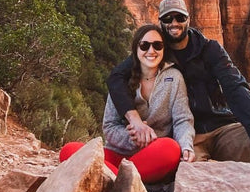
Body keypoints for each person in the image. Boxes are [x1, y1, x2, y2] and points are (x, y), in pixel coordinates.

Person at [107, 0, 250, 171]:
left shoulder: (210, 49)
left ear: (188, 18)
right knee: (184, 169)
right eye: (167, 18)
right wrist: (135, 120)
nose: (174, 23)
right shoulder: (156, 50)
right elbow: (116, 77)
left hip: (222, 128)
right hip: (188, 137)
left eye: (179, 17)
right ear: (161, 22)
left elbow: (235, 86)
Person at [60, 23, 195, 182]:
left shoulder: (174, 78)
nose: (151, 51)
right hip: (117, 154)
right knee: (69, 150)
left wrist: (186, 146)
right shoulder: (122, 80)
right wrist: (133, 137)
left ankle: (109, 179)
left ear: (164, 49)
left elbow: (182, 119)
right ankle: (125, 182)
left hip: (151, 155)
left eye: (157, 45)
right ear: (136, 50)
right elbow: (109, 126)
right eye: (144, 45)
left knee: (171, 149)